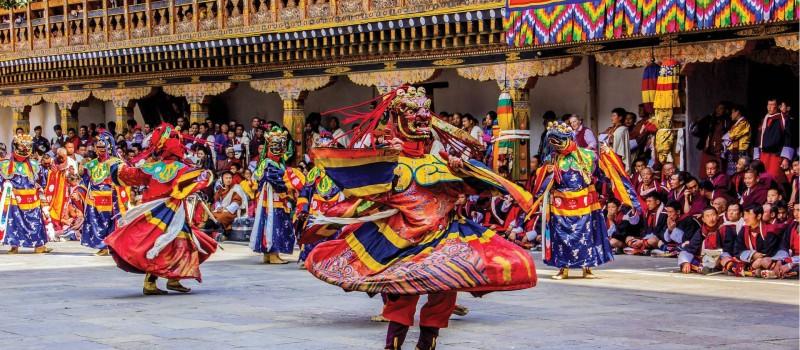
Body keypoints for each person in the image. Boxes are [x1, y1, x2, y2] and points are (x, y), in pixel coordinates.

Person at [305, 86, 537, 350]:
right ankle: (392, 346)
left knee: (446, 291)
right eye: (414, 112)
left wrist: (464, 170)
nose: (422, 117)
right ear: (398, 119)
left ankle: (427, 345)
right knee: (403, 297)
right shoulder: (390, 163)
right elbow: (363, 198)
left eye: (425, 111)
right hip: (403, 242)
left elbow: (473, 187)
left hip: (444, 239)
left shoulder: (439, 161)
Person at [104, 124, 218, 295]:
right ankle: (151, 282)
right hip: (168, 212)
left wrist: (116, 164)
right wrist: (207, 173)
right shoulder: (181, 168)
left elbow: (129, 175)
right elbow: (196, 180)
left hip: (158, 212)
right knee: (167, 245)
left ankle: (173, 279)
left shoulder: (152, 167)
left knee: (170, 243)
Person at [528, 121, 641, 279]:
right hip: (561, 205)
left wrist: (608, 158)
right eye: (553, 142)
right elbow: (541, 181)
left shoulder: (588, 156)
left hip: (585, 203)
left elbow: (605, 176)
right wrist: (547, 172)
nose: (557, 146)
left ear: (570, 139)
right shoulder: (552, 158)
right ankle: (563, 268)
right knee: (561, 238)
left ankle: (587, 268)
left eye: (559, 141)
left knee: (587, 236)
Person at [249, 126, 305, 264]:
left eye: (281, 145)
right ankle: (272, 254)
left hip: (276, 199)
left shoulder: (277, 163)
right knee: (274, 224)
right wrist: (288, 183)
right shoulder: (268, 162)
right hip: (272, 199)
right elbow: (269, 177)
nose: (278, 149)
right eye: (275, 145)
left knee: (274, 223)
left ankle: (269, 255)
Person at [0, 135, 51, 254]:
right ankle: (14, 245)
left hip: (32, 199)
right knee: (14, 223)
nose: (24, 150)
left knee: (36, 222)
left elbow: (41, 181)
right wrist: (6, 185)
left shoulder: (34, 165)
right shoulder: (5, 164)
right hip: (14, 199)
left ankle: (39, 245)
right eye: (22, 147)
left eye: (27, 147)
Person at [81, 130, 129, 256]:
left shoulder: (116, 162)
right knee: (96, 222)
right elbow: (85, 182)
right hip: (94, 199)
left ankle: (113, 246)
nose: (100, 149)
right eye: (98, 147)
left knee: (112, 222)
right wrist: (79, 191)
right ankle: (102, 246)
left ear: (109, 147)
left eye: (103, 147)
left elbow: (123, 179)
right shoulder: (91, 164)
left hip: (112, 198)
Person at [729, 204, 784, 277]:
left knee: (764, 261)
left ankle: (749, 270)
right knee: (726, 259)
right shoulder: (744, 229)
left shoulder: (770, 231)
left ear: (758, 216)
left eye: (749, 214)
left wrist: (753, 258)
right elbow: (736, 249)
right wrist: (752, 255)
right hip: (750, 260)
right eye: (744, 215)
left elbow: (767, 253)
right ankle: (752, 270)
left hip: (765, 260)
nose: (745, 218)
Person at [677, 207, 736, 274]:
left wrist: (717, 257)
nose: (711, 218)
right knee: (684, 254)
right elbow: (691, 249)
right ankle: (700, 267)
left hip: (720, 257)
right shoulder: (701, 232)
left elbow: (728, 249)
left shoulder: (724, 229)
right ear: (703, 219)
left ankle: (707, 267)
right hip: (705, 258)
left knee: (726, 258)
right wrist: (685, 262)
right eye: (707, 216)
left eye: (713, 215)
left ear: (717, 216)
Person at [755, 98, 795, 184]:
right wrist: (757, 156)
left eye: (772, 105)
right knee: (761, 178)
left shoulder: (783, 119)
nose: (769, 107)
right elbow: (758, 138)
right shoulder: (765, 119)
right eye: (768, 105)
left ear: (777, 106)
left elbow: (788, 138)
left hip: (776, 156)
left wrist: (786, 158)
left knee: (774, 179)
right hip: (763, 155)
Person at [693, 102, 731, 178]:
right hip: (708, 148)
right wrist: (696, 123)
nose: (718, 110)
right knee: (706, 171)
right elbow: (697, 131)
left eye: (721, 108)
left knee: (719, 170)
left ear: (725, 110)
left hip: (719, 149)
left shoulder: (726, 121)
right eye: (717, 108)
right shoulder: (709, 118)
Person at [722, 105, 751, 176]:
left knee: (739, 173)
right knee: (731, 175)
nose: (731, 115)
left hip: (739, 153)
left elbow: (731, 136)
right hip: (733, 152)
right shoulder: (736, 124)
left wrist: (726, 136)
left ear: (737, 112)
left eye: (732, 112)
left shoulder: (743, 123)